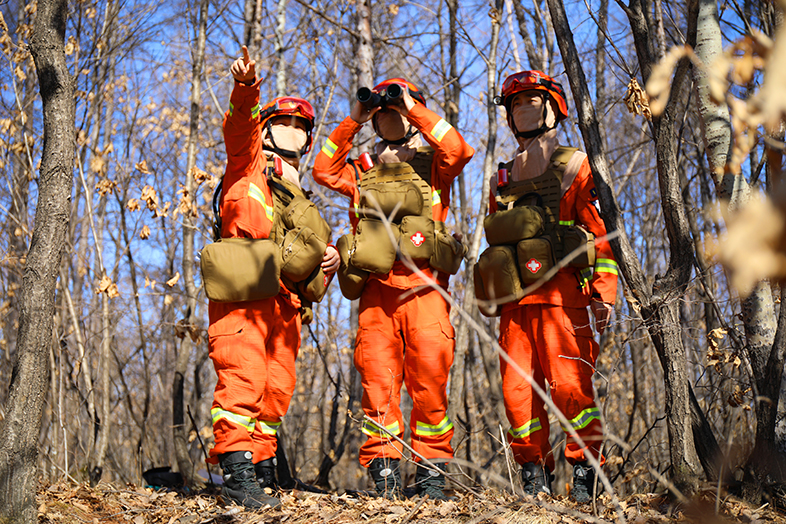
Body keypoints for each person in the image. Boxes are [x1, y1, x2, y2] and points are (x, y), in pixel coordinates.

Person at [313, 78, 474, 500]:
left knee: (430, 383)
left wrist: (412, 107)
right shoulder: (361, 168)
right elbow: (322, 169)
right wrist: (354, 118)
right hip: (376, 295)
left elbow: (460, 149)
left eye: (396, 109)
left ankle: (431, 475)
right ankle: (383, 474)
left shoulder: (434, 163)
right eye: (383, 111)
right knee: (378, 386)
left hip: (425, 291)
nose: (389, 115)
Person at [206, 47, 340, 509]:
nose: (294, 132)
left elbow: (302, 250)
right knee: (242, 379)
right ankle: (236, 472)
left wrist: (331, 260)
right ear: (267, 127)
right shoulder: (248, 162)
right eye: (284, 123)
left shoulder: (300, 193)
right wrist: (246, 90)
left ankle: (264, 474)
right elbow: (239, 125)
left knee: (275, 390)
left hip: (286, 304)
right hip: (245, 290)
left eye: (302, 127)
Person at [478, 70, 618, 502]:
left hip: (563, 297)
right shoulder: (502, 176)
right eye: (515, 104)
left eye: (532, 101)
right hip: (515, 303)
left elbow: (600, 230)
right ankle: (533, 477)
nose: (523, 110)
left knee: (571, 386)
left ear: (554, 107)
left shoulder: (576, 165)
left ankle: (584, 474)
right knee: (517, 394)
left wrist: (604, 292)